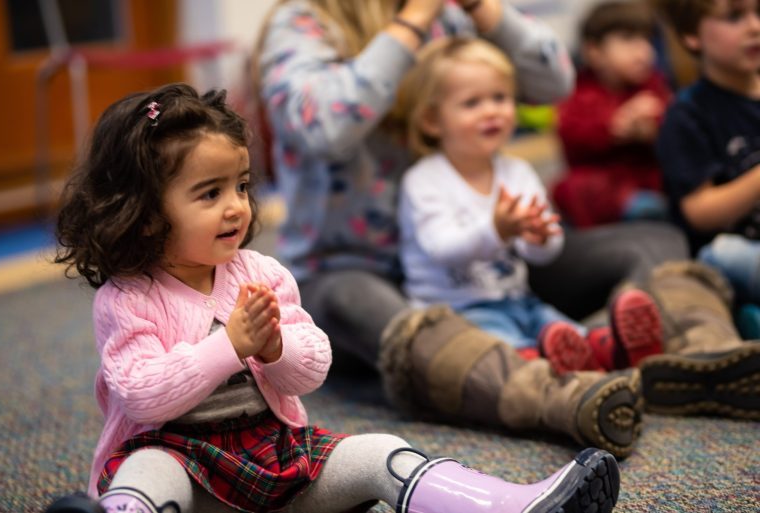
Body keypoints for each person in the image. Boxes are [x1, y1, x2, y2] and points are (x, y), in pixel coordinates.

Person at [42, 83, 622, 513]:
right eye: (209, 193)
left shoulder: (261, 272)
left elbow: (313, 367)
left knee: (381, 453)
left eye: (241, 186)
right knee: (149, 471)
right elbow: (143, 397)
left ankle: (505, 506)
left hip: (271, 464)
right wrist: (230, 346)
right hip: (184, 474)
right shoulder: (129, 297)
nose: (236, 206)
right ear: (143, 214)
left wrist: (273, 350)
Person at [255, 0, 648, 459]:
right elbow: (325, 127)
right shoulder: (303, 22)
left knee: (650, 243)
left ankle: (675, 354)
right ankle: (555, 393)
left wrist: (480, 7)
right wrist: (414, 19)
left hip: (477, 264)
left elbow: (555, 82)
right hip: (348, 269)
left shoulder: (456, 16)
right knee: (409, 328)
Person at [395, 36, 663, 374]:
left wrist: (539, 238)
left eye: (500, 97)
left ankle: (609, 349)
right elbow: (440, 248)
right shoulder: (425, 179)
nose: (492, 110)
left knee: (555, 326)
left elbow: (545, 251)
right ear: (433, 120)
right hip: (455, 313)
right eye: (472, 103)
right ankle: (538, 367)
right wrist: (496, 230)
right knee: (499, 346)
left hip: (518, 299)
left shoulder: (517, 172)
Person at [654, 0, 760, 339]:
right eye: (734, 17)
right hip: (735, 252)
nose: (754, 27)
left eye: (759, 12)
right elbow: (700, 212)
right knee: (722, 254)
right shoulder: (688, 114)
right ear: (691, 35)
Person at [553, 0, 671, 228]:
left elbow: (676, 127)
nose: (643, 51)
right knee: (572, 188)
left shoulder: (654, 86)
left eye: (646, 39)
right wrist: (615, 126)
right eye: (628, 40)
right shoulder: (579, 92)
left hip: (647, 183)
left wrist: (654, 128)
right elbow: (570, 134)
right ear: (594, 52)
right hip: (601, 193)